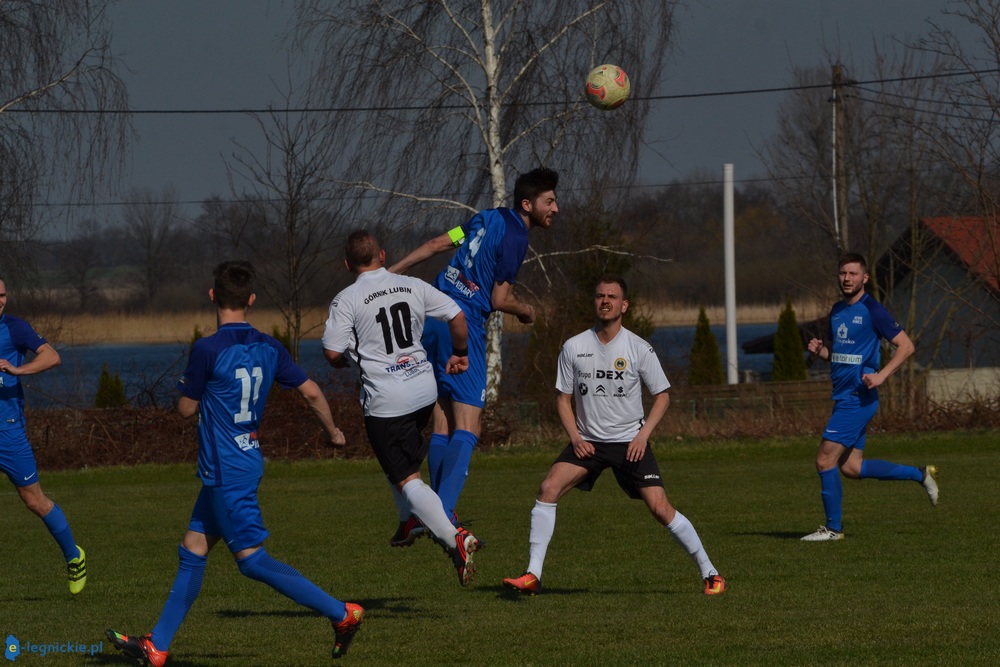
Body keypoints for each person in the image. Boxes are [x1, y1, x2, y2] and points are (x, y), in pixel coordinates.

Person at [106, 261, 360, 666]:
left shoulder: (208, 348)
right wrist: (334, 432)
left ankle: (342, 613)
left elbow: (186, 410)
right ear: (252, 300)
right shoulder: (269, 346)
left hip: (228, 470)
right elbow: (312, 391)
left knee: (253, 561)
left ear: (212, 296)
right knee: (193, 549)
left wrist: (193, 392)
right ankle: (157, 647)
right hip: (237, 463)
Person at [502, 275, 726, 596]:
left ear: (624, 305)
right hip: (589, 444)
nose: (605, 301)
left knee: (660, 508)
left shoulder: (638, 348)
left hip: (629, 444)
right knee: (548, 487)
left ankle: (711, 573)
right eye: (599, 296)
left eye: (612, 296)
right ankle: (532, 574)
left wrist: (642, 436)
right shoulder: (574, 346)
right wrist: (576, 438)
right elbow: (562, 399)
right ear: (594, 302)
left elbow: (662, 395)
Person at [388, 167, 558, 533]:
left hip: (431, 316)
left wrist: (391, 273)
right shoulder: (516, 238)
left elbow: (438, 244)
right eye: (550, 201)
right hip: (461, 323)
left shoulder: (484, 217)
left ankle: (427, 512)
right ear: (527, 204)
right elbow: (498, 299)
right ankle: (440, 517)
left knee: (443, 420)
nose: (555, 208)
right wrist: (525, 310)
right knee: (470, 424)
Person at [322, 230, 483, 584]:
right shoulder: (412, 285)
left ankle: (454, 537)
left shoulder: (346, 299)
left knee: (408, 478)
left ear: (348, 264)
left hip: (387, 400)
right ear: (382, 253)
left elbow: (332, 352)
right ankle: (408, 521)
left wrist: (341, 361)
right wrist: (460, 353)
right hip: (423, 390)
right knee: (395, 462)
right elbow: (458, 317)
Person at [801, 252, 938, 541]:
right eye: (843, 273)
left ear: (865, 278)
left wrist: (881, 375)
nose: (847, 278)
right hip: (843, 397)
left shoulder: (873, 310)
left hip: (858, 398)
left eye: (853, 274)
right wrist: (821, 352)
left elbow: (907, 346)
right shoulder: (837, 310)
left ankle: (833, 530)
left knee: (825, 460)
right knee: (851, 468)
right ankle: (920, 475)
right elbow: (840, 357)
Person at [0, 279, 87, 595]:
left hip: (7, 430)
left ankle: (74, 556)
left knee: (33, 500)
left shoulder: (14, 328)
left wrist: (17, 370)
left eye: (3, 294)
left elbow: (52, 357)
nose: (0, 300)